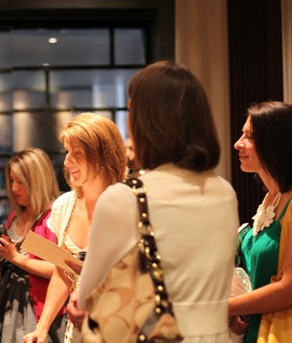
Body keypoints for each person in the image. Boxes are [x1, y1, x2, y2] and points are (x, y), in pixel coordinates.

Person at [73, 61, 240, 342]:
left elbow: (87, 298)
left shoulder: (125, 198)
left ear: (144, 122)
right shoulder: (224, 192)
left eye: (130, 111)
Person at [23, 113, 127, 343]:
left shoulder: (128, 205)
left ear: (103, 156)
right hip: (79, 332)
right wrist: (42, 328)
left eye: (77, 154)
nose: (67, 161)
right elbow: (63, 271)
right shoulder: (64, 206)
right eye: (67, 152)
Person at [228, 101, 292, 342]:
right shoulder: (271, 198)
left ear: (278, 143)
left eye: (249, 137)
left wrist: (223, 307)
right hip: (260, 331)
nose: (238, 143)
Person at [0, 147, 67, 343]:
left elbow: (58, 269)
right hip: (8, 300)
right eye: (12, 180)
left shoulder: (52, 218)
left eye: (20, 181)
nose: (14, 188)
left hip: (38, 306)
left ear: (37, 180)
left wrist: (15, 257)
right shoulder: (17, 216)